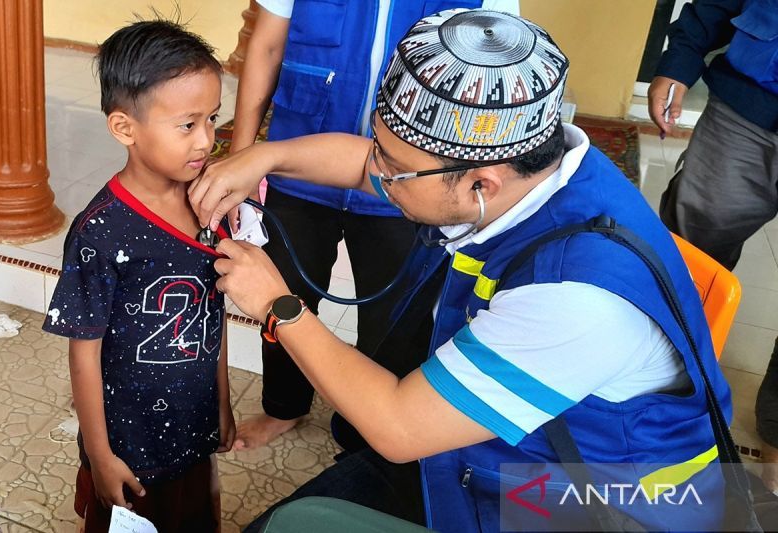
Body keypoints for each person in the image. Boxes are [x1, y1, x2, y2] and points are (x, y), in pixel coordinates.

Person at [193, 9, 732, 532]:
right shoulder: (542, 169)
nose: (374, 172)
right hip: (511, 442)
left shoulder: (574, 300)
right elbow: (362, 163)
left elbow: (399, 427)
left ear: (482, 184)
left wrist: (278, 305)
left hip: (594, 501)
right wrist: (264, 157)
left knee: (289, 526)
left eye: (394, 169)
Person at [229, 0, 503, 451]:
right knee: (280, 295)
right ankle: (284, 405)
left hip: (410, 189)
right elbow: (267, 46)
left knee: (395, 322)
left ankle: (369, 429)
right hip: (298, 166)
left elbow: (492, 82)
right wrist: (243, 161)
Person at [42, 19, 235, 532]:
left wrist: (222, 403)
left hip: (192, 427)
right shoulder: (99, 233)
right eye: (187, 125)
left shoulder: (208, 206)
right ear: (125, 127)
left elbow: (209, 321)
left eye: (213, 119)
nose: (207, 141)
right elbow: (83, 355)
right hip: (130, 442)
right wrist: (101, 456)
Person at [647, 0, 778, 490]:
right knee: (685, 263)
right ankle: (655, 408)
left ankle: (774, 459)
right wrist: (678, 62)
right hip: (745, 112)